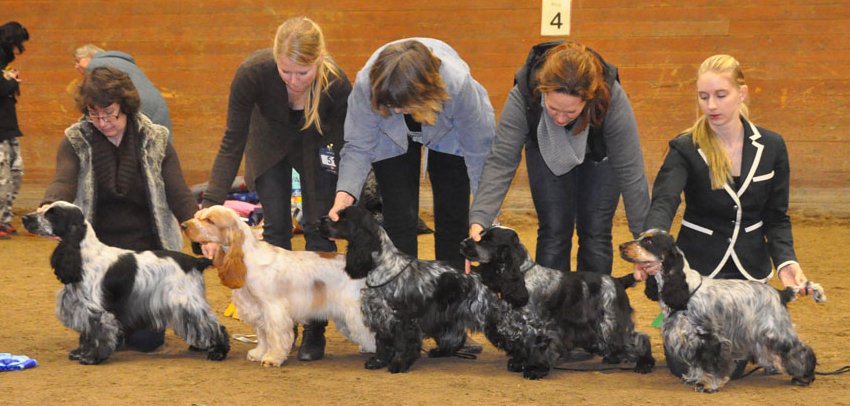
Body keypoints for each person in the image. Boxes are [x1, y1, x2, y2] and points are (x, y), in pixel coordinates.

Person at [201, 17, 350, 361]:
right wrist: (209, 206)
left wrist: (343, 192)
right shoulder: (252, 74)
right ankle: (281, 323)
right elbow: (232, 141)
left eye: (303, 73)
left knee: (316, 227)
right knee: (277, 230)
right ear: (275, 59)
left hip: (316, 144)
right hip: (268, 143)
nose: (294, 81)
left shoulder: (337, 85)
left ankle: (315, 324)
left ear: (320, 60)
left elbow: (344, 145)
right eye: (286, 72)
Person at [40, 66, 197, 352]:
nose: (102, 121)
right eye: (94, 113)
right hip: (98, 257)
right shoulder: (76, 139)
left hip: (145, 256)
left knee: (145, 342)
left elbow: (178, 192)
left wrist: (197, 226)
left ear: (125, 106)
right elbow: (63, 179)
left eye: (109, 112)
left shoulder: (156, 139)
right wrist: (49, 207)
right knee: (101, 335)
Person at [634, 54, 813, 291]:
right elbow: (664, 202)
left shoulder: (772, 146)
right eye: (703, 96)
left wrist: (785, 261)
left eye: (721, 95)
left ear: (742, 93)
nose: (711, 106)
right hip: (697, 272)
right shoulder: (685, 147)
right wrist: (650, 246)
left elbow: (776, 217)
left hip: (752, 273)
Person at [468, 41, 649, 275]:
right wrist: (480, 217)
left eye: (571, 112)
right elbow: (502, 160)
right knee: (554, 231)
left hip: (598, 156)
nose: (561, 119)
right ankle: (551, 307)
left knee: (595, 232)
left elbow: (631, 171)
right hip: (545, 150)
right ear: (542, 91)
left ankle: (593, 307)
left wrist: (644, 242)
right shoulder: (524, 94)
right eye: (553, 109)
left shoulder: (611, 98)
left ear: (588, 99)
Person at [328, 38, 496, 271]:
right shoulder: (368, 85)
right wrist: (345, 195)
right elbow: (358, 146)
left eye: (402, 105)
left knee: (453, 214)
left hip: (448, 132)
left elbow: (479, 154)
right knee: (398, 214)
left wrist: (483, 218)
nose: (396, 111)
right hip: (388, 135)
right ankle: (404, 292)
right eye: (391, 104)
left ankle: (454, 289)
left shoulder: (458, 86)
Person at [74, 44, 172, 139]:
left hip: (138, 108)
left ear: (89, 56)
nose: (76, 66)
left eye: (78, 61)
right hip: (157, 107)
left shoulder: (97, 65)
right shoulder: (123, 62)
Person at [0, 21, 28, 239]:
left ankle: (4, 219)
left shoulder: (3, 60)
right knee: (3, 177)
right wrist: (12, 82)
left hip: (8, 127)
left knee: (15, 173)